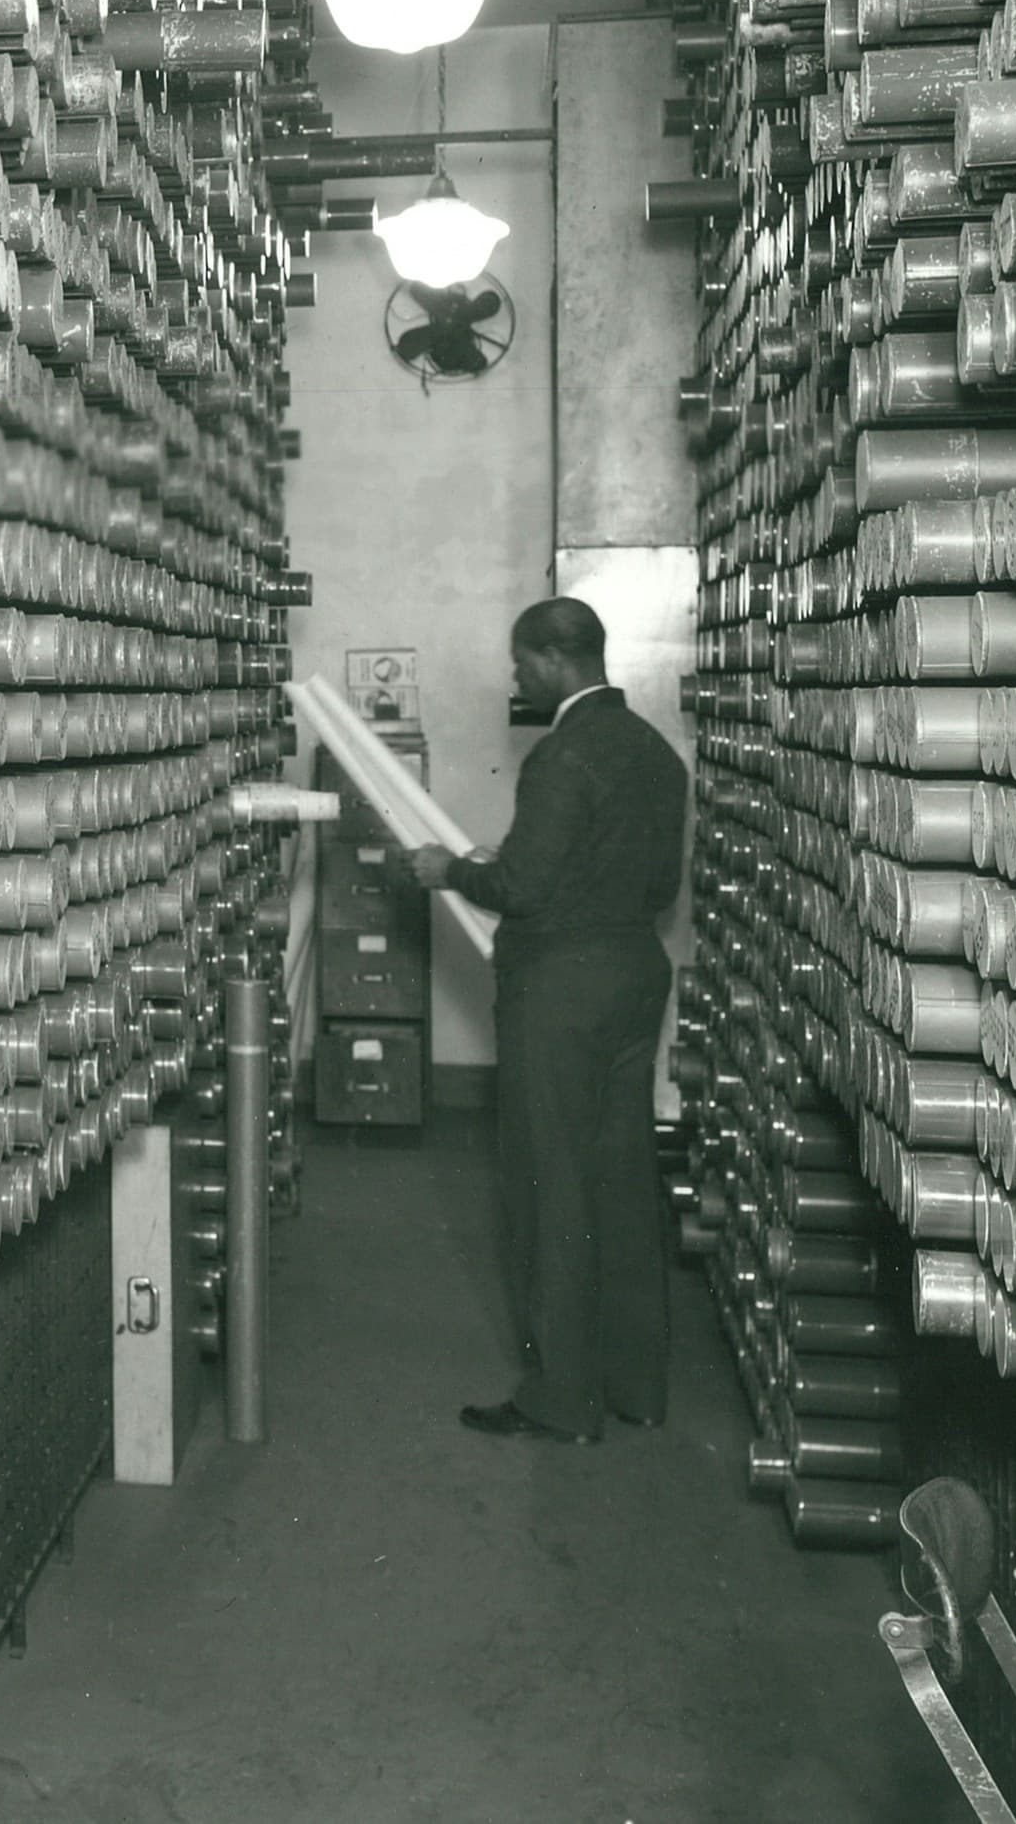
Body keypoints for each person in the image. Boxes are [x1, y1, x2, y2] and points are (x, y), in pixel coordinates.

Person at [403, 595, 687, 1446]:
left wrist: (449, 869)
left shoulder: (561, 757)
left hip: (559, 992)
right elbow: (654, 891)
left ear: (556, 661)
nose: (516, 678)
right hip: (635, 976)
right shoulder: (655, 754)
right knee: (624, 1184)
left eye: (522, 664)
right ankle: (636, 1386)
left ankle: (563, 1400)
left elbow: (523, 888)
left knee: (549, 1185)